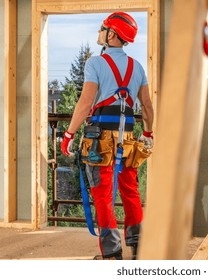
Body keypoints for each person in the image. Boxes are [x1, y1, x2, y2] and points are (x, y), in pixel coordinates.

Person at [60, 12, 154, 260]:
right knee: (130, 191)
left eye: (103, 29)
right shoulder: (137, 66)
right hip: (129, 138)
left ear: (111, 34)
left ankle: (112, 254)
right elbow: (147, 106)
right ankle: (139, 249)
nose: (100, 32)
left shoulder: (95, 63)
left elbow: (86, 101)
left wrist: (68, 134)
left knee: (103, 194)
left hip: (101, 138)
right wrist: (148, 134)